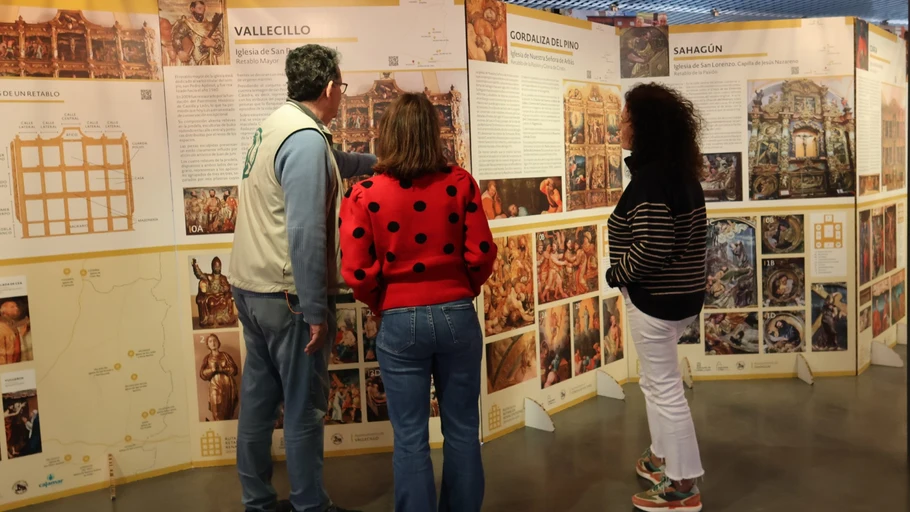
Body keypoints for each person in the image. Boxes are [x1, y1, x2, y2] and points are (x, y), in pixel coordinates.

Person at [230, 44, 375, 512]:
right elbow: (306, 231)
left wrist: (379, 164)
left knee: (258, 399)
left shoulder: (280, 125)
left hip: (251, 286)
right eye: (342, 86)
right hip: (288, 294)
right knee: (304, 405)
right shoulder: (307, 140)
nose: (342, 94)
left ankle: (257, 500)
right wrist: (316, 310)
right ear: (331, 87)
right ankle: (310, 504)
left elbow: (338, 164)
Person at [339, 93, 496, 512]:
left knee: (409, 438)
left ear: (386, 136)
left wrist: (384, 302)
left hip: (398, 319)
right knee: (463, 430)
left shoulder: (364, 194)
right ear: (433, 133)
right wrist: (462, 291)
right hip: (457, 315)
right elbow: (481, 253)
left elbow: (355, 271)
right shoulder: (460, 183)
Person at [604, 83, 707, 512]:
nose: (621, 125)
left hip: (655, 302)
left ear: (643, 126)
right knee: (654, 383)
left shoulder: (650, 181)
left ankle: (683, 488)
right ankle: (663, 459)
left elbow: (652, 247)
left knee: (665, 390)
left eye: (626, 118)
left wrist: (616, 273)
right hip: (679, 299)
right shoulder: (680, 173)